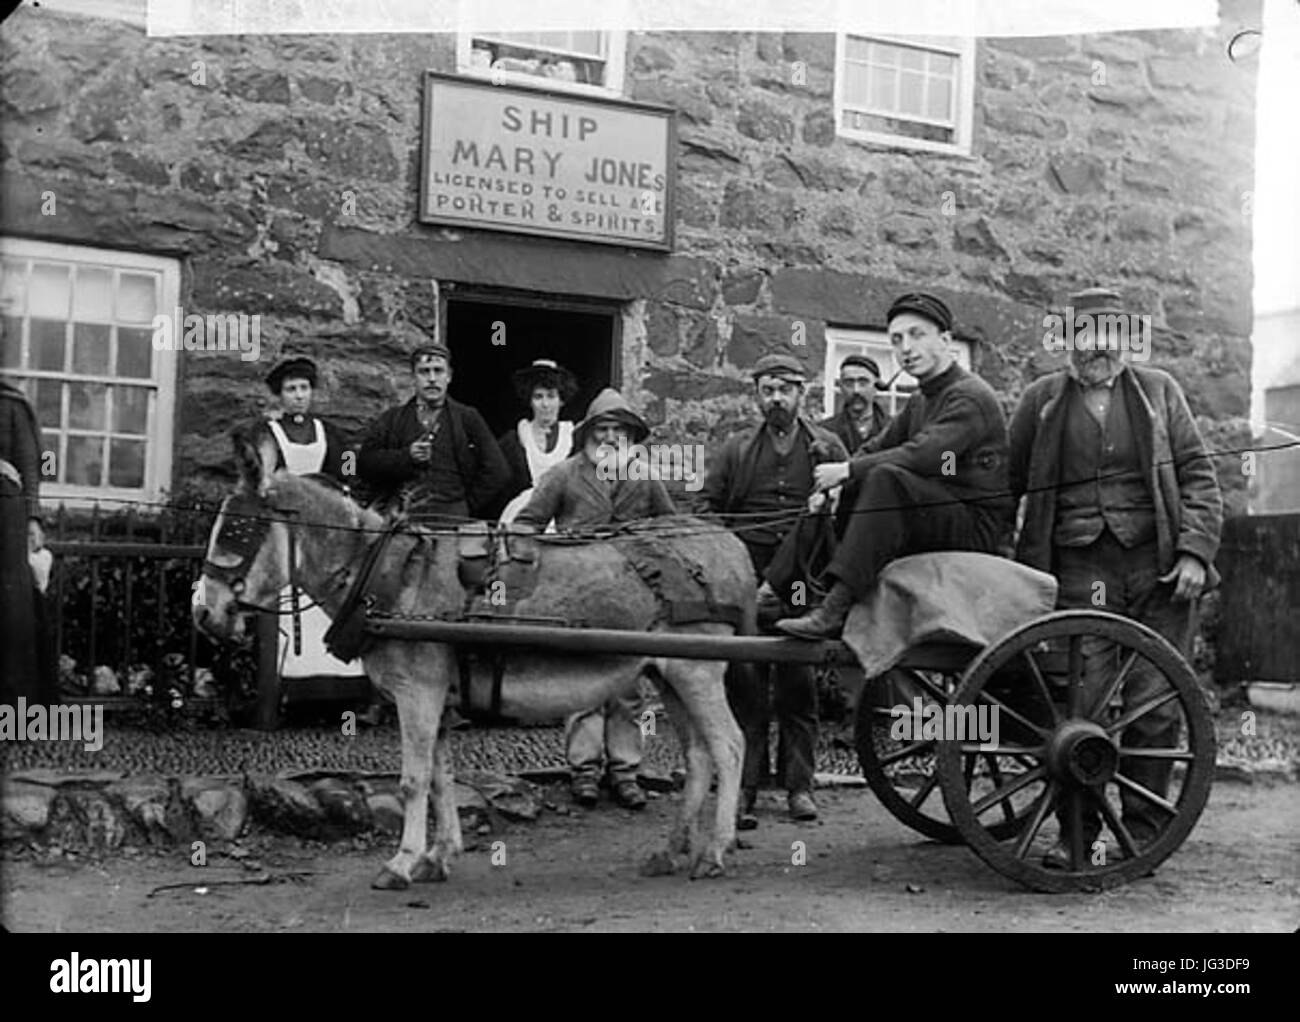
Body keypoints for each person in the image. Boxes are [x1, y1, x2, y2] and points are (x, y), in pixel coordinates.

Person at [1008, 286, 1223, 869]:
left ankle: (1144, 836)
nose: (1097, 347)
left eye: (1108, 335)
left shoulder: (1159, 392)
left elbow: (1199, 476)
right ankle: (1078, 835)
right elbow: (1009, 486)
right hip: (1076, 570)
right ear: (1068, 341)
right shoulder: (1042, 400)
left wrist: (1195, 554)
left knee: (1154, 707)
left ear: (1126, 339)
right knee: (1082, 709)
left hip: (1156, 570)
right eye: (1085, 334)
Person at [774, 292, 1015, 639]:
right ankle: (780, 591)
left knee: (886, 478)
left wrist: (846, 471)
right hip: (935, 513)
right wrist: (837, 484)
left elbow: (922, 454)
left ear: (945, 341)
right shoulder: (921, 398)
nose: (905, 348)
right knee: (842, 491)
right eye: (897, 339)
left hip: (973, 525)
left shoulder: (970, 396)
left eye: (917, 335)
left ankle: (834, 609)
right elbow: (880, 445)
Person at [698, 353, 849, 826]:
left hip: (803, 578)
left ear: (802, 393)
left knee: (797, 684)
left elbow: (852, 514)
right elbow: (707, 506)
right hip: (747, 575)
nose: (777, 398)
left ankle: (799, 787)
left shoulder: (828, 447)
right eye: (768, 389)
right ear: (757, 396)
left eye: (785, 388)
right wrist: (723, 556)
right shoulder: (737, 450)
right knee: (745, 683)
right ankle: (743, 786)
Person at [515, 388, 676, 810]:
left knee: (628, 687)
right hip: (579, 596)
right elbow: (526, 524)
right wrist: (546, 567)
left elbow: (671, 528)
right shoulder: (565, 475)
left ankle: (626, 771)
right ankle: (583, 770)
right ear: (588, 434)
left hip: (630, 598)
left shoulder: (645, 476)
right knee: (583, 684)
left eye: (616, 430)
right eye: (601, 429)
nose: (608, 437)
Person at [258, 356, 365, 684]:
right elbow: (263, 477)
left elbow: (347, 468)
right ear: (280, 396)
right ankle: (289, 676)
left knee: (329, 591)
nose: (299, 395)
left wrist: (344, 493)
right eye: (291, 389)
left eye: (304, 388)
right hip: (287, 527)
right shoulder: (269, 433)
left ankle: (338, 677)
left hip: (323, 530)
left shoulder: (328, 433)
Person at [356, 340, 510, 527]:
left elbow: (498, 470)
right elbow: (365, 463)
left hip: (452, 523)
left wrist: (466, 505)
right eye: (424, 371)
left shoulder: (467, 418)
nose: (431, 379)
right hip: (402, 523)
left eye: (438, 371)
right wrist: (406, 456)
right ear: (413, 377)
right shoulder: (392, 420)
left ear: (449, 376)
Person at [0, 373, 57, 706]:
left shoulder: (11, 403)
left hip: (5, 513)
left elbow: (32, 464)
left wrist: (33, 517)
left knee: (10, 613)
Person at [493, 358, 579, 524]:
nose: (545, 404)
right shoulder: (515, 440)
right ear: (530, 401)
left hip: (562, 514)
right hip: (523, 512)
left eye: (551, 396)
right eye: (538, 397)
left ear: (561, 400)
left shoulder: (573, 437)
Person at [820, 353, 890, 455]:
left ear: (876, 387)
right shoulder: (824, 431)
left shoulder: (893, 429)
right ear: (841, 387)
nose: (856, 390)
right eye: (849, 383)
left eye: (863, 382)